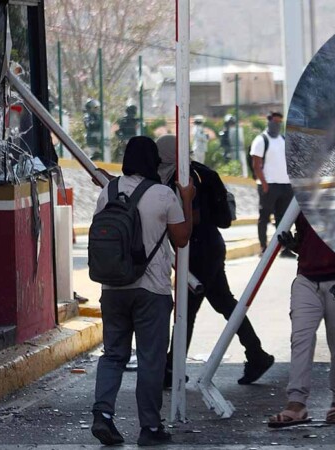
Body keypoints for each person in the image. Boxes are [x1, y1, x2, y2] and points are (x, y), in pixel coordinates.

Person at [90, 136, 195, 447]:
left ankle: (103, 415)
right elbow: (182, 238)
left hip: (112, 287)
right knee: (151, 360)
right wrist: (187, 198)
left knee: (113, 355)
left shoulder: (106, 192)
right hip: (152, 290)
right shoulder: (163, 194)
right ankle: (149, 428)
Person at [156, 135, 274, 388]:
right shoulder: (193, 172)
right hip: (207, 246)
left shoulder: (185, 176)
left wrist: (167, 222)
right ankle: (256, 354)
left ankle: (172, 367)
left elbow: (195, 216)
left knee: (187, 309)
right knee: (223, 303)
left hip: (199, 249)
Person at [268, 213, 335, 428]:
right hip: (306, 278)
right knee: (300, 339)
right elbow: (305, 237)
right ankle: (296, 404)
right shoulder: (302, 195)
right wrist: (296, 244)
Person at [250, 111, 295, 258]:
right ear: (269, 122)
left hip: (285, 185)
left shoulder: (283, 139)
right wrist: (264, 184)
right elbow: (256, 165)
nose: (277, 125)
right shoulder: (261, 140)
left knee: (283, 219)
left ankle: (285, 248)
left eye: (279, 122)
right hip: (269, 185)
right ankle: (264, 247)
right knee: (264, 217)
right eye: (275, 122)